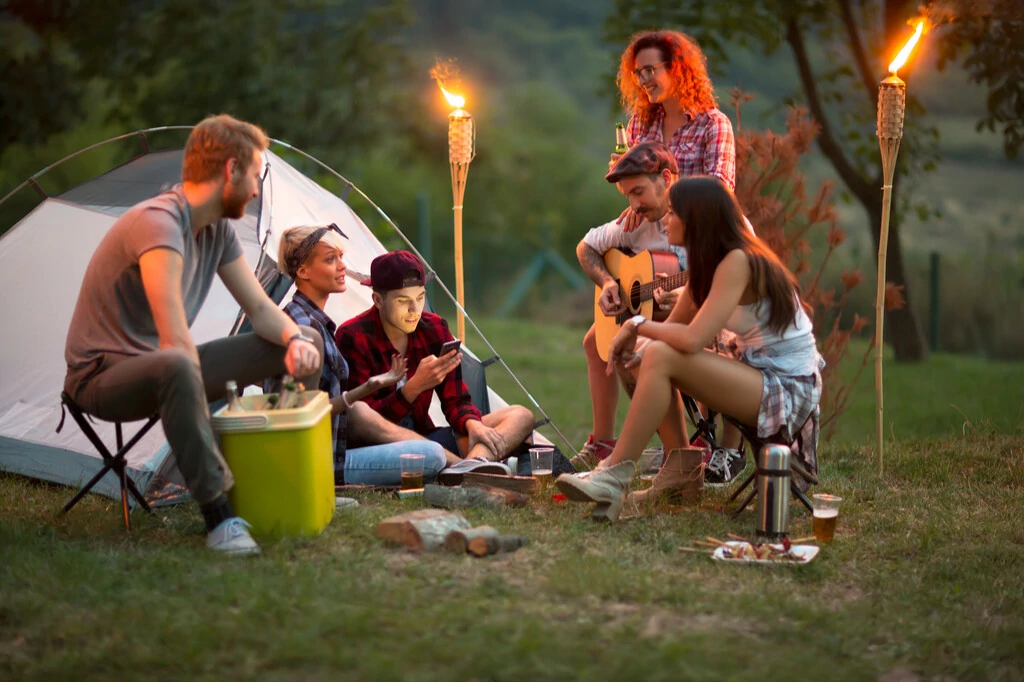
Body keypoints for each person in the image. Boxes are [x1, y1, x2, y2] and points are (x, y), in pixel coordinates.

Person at [63, 114, 323, 555]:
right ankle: (219, 518)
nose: (257, 190)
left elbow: (260, 309)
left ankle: (288, 481)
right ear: (230, 171)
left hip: (166, 366)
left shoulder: (217, 229)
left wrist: (295, 341)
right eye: (255, 177)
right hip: (102, 378)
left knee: (305, 337)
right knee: (178, 362)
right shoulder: (159, 224)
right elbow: (173, 336)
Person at [557, 176, 824, 523]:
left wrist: (633, 325)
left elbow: (693, 339)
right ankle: (678, 470)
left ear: (695, 217)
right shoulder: (710, 265)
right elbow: (672, 331)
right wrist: (636, 353)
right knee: (649, 352)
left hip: (787, 389)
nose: (664, 221)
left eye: (672, 214)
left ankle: (612, 474)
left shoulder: (738, 261)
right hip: (758, 374)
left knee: (658, 352)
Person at [577, 28, 740, 469]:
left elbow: (720, 193)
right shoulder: (641, 123)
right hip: (655, 239)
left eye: (652, 69)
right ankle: (605, 441)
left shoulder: (713, 124)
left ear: (678, 68)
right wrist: (634, 199)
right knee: (597, 341)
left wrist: (664, 193)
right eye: (638, 72)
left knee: (692, 340)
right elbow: (636, 181)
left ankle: (700, 448)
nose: (645, 79)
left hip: (700, 241)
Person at [335, 251, 536, 478]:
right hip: (380, 448)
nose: (415, 310)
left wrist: (473, 425)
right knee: (361, 413)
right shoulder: (353, 336)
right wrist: (413, 388)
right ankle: (470, 469)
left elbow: (456, 400)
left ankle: (469, 467)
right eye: (403, 301)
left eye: (420, 298)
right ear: (378, 300)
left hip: (426, 436)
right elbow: (365, 424)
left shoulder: (434, 328)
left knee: (521, 416)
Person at [276, 225, 447, 486]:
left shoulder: (314, 321)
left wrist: (372, 386)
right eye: (331, 259)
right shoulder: (302, 329)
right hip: (319, 462)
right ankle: (463, 468)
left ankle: (466, 466)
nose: (343, 266)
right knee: (431, 455)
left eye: (341, 257)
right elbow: (299, 413)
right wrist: (364, 391)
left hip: (333, 450)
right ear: (303, 271)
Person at [576, 142, 690, 474]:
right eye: (628, 196)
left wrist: (687, 294)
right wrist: (609, 283)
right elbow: (586, 248)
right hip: (652, 320)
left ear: (666, 178)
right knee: (598, 341)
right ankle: (604, 442)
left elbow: (736, 275)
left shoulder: (705, 217)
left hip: (702, 323)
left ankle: (674, 456)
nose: (634, 204)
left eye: (638, 191)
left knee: (634, 348)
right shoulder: (635, 222)